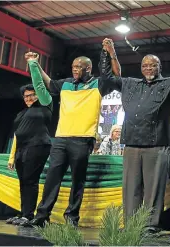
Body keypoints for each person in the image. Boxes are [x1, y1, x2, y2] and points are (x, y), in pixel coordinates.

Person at [100, 38, 170, 233]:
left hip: (157, 144)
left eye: (153, 65)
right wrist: (108, 53)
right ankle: (131, 225)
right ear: (141, 68)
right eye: (145, 65)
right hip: (132, 144)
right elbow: (108, 77)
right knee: (131, 189)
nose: (149, 68)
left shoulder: (169, 83)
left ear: (160, 67)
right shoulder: (129, 83)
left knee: (154, 189)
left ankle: (151, 225)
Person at [22, 50, 120, 227]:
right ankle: (42, 215)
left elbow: (115, 74)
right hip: (60, 138)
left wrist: (111, 53)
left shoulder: (99, 84)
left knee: (77, 180)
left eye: (79, 67)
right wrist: (35, 64)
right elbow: (50, 83)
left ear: (88, 68)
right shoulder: (66, 83)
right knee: (52, 178)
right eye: (73, 67)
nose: (75, 70)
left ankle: (72, 218)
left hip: (83, 139)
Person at [5, 82, 52, 226]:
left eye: (31, 95)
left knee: (30, 180)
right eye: (26, 96)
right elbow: (17, 135)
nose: (28, 98)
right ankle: (24, 213)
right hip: (21, 149)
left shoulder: (45, 107)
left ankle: (29, 215)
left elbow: (42, 90)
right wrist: (12, 156)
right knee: (23, 181)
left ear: (38, 96)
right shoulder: (22, 113)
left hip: (38, 146)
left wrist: (33, 64)